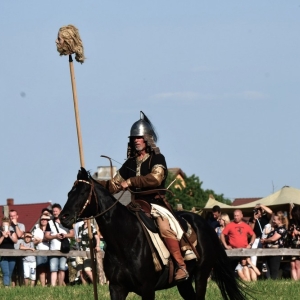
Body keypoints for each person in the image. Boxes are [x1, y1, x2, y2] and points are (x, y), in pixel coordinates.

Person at [97, 111, 188, 282]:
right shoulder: (130, 163)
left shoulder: (157, 158)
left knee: (164, 226)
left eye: (139, 137)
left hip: (156, 204)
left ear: (148, 139)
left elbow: (156, 178)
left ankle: (180, 264)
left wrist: (131, 181)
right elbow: (114, 185)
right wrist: (93, 185)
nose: (136, 140)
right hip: (135, 206)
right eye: (133, 138)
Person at [45, 203, 74, 286]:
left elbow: (72, 234)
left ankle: (60, 285)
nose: (54, 213)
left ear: (60, 211)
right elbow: (46, 236)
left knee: (62, 268)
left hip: (64, 248)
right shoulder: (49, 223)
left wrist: (65, 235)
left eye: (56, 211)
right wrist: (55, 236)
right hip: (54, 248)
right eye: (53, 211)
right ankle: (53, 286)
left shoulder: (67, 221)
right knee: (53, 269)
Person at [260, 211, 288, 280]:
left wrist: (265, 240)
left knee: (274, 270)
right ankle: (269, 283)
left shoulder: (282, 229)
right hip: (268, 251)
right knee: (267, 270)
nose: (273, 221)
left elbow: (273, 239)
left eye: (275, 220)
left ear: (280, 220)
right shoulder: (275, 229)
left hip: (276, 252)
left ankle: (274, 284)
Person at [76, 219, 100, 284]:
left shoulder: (91, 227)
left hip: (88, 251)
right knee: (80, 270)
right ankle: (84, 285)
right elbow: (79, 238)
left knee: (87, 269)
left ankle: (95, 284)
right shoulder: (80, 227)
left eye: (86, 218)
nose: (84, 219)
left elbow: (97, 237)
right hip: (80, 250)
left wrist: (97, 246)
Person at [32, 214, 51, 286]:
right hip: (40, 251)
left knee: (49, 269)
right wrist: (40, 241)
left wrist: (41, 239)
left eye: (45, 219)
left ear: (48, 221)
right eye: (42, 219)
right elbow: (34, 241)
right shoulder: (37, 230)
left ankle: (49, 284)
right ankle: (43, 285)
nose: (43, 221)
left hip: (49, 251)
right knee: (41, 269)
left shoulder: (50, 229)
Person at [0, 217, 18, 287]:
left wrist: (9, 235)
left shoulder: (12, 232)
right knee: (6, 272)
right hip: (3, 255)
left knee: (10, 272)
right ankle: (6, 286)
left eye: (6, 226)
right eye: (4, 226)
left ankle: (8, 285)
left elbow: (15, 241)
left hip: (12, 255)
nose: (5, 227)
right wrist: (3, 236)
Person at [9, 209, 25, 287]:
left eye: (14, 216)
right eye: (11, 216)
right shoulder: (7, 227)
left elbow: (19, 234)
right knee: (12, 272)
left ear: (17, 216)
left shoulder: (21, 225)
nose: (12, 218)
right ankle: (13, 287)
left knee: (20, 271)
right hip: (11, 251)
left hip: (19, 251)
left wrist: (15, 225)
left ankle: (21, 286)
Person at [288, 204, 300, 280]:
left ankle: (298, 280)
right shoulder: (291, 222)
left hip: (299, 245)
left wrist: (298, 233)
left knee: (298, 264)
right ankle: (294, 281)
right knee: (292, 264)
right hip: (292, 244)